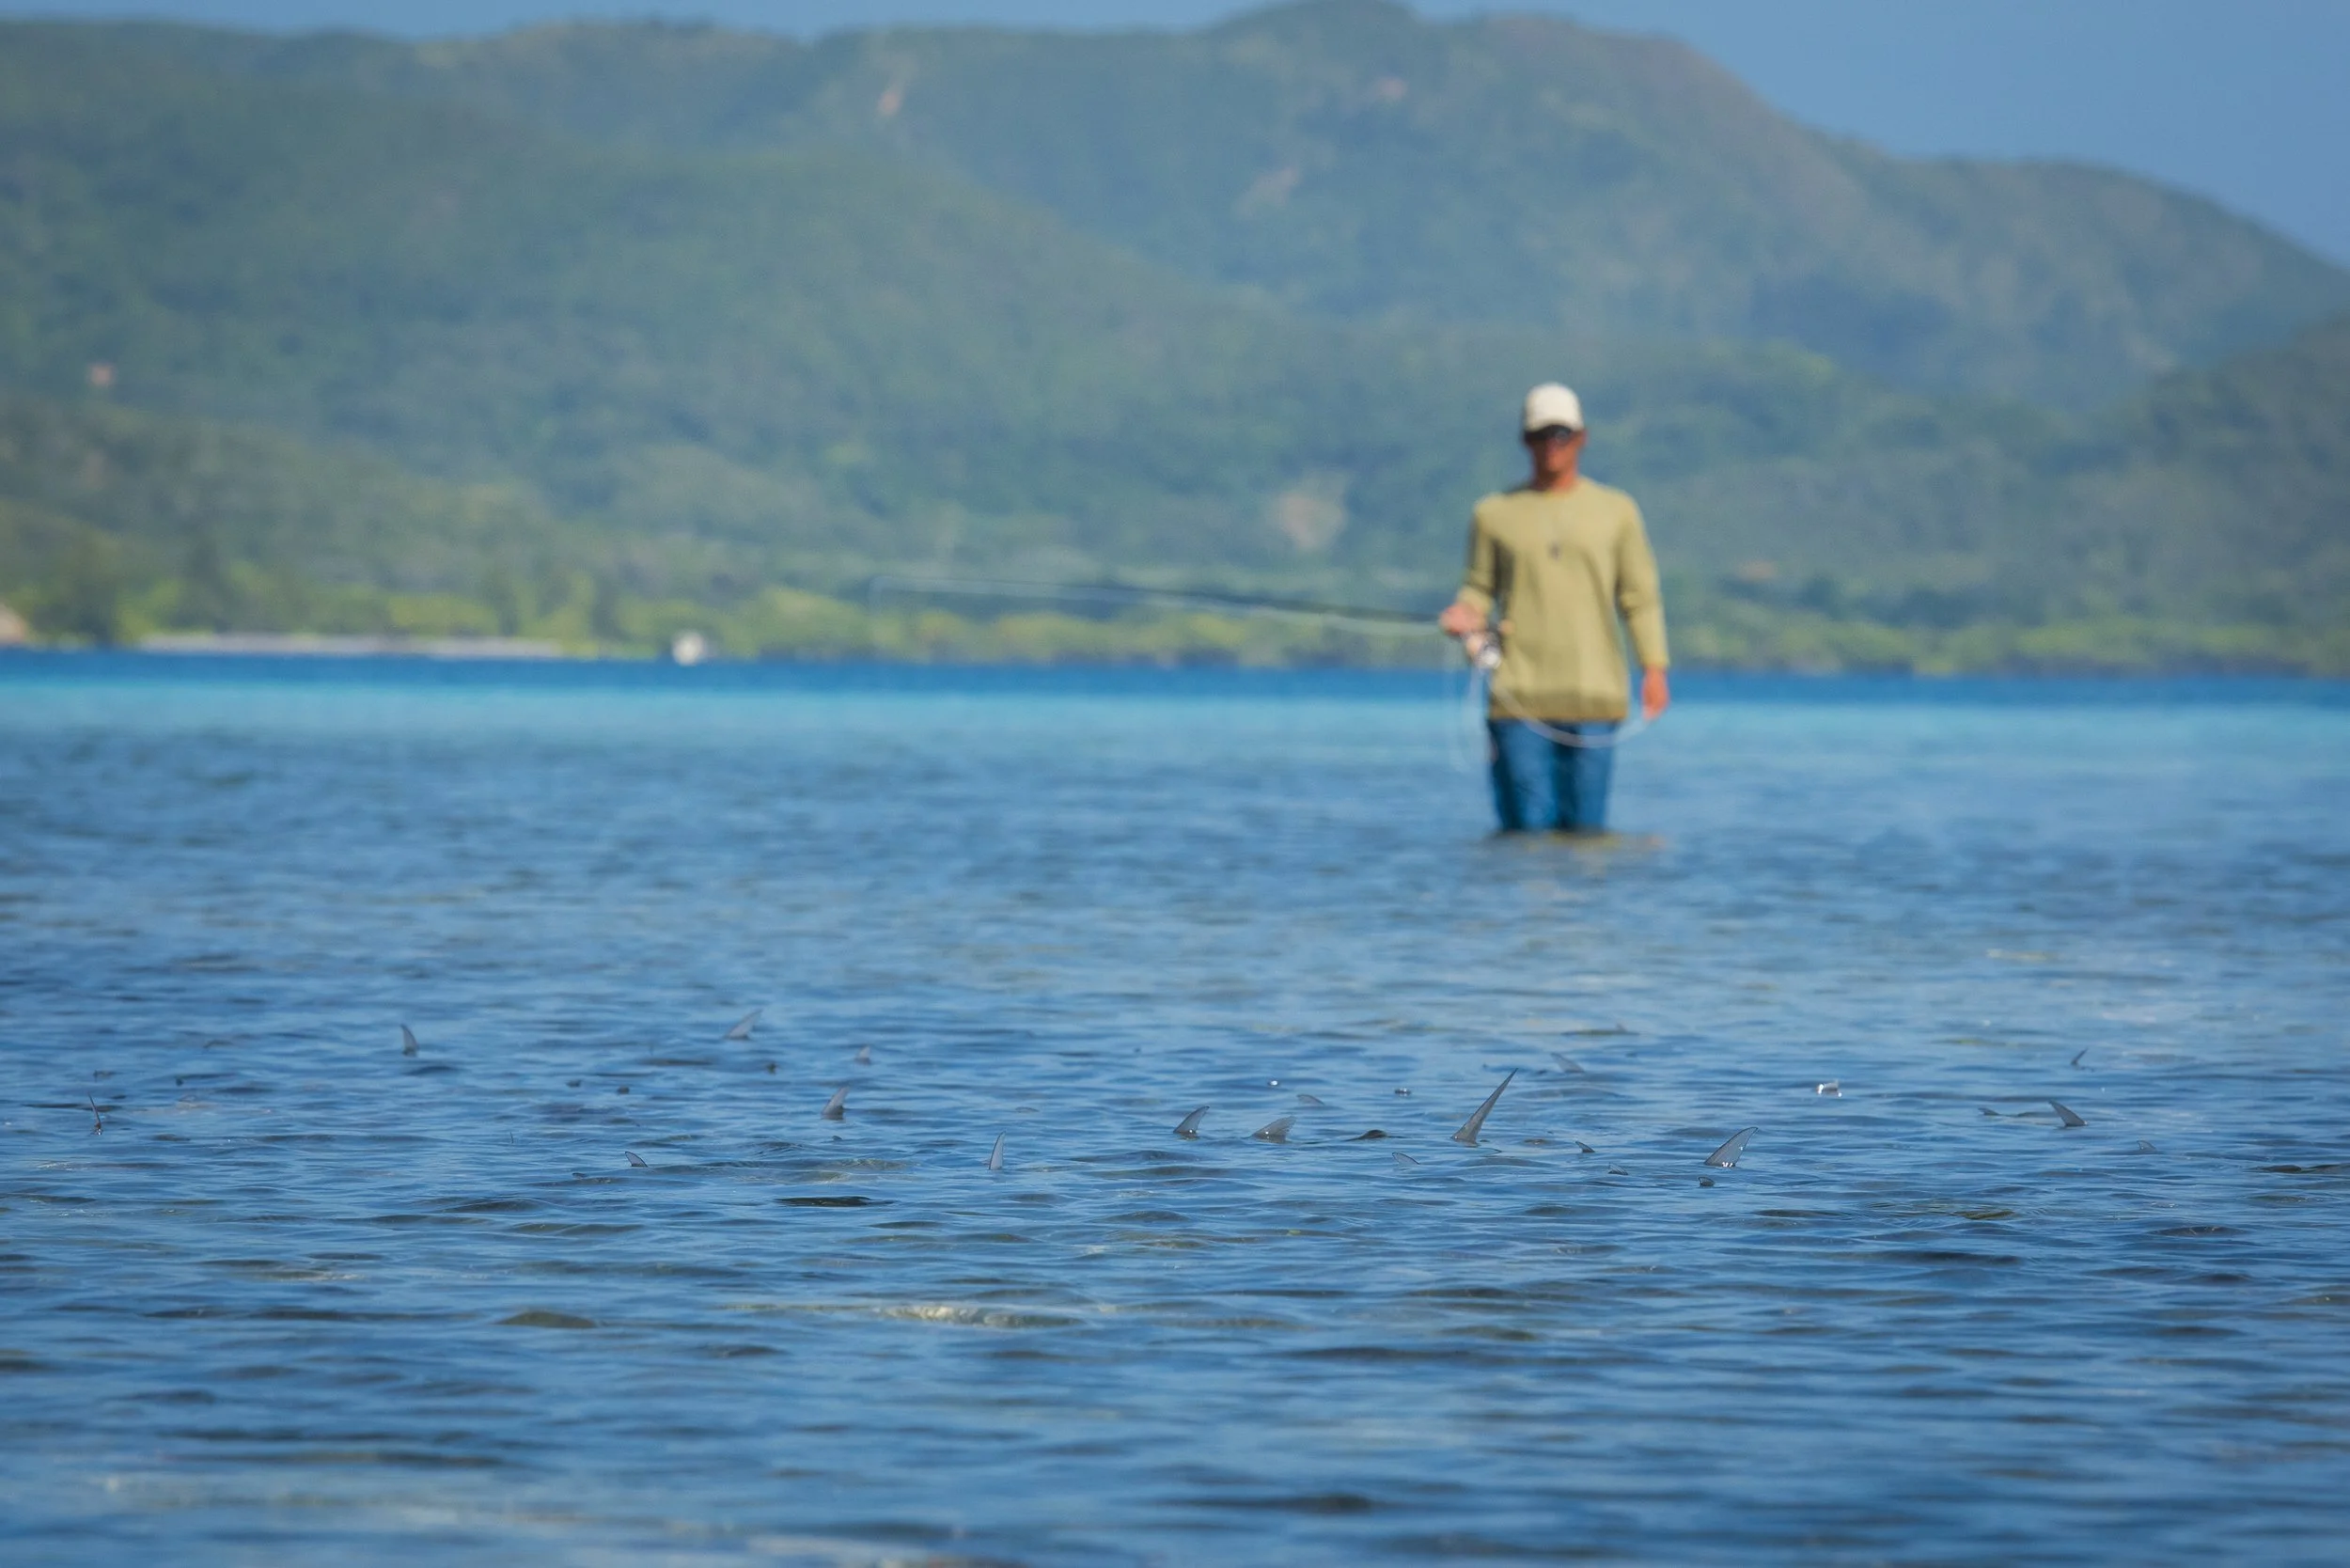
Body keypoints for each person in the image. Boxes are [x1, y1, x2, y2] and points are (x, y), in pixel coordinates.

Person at [1437, 383, 1670, 835]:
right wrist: (1464, 615)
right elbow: (1478, 588)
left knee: (1587, 836)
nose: (1551, 446)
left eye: (1561, 434)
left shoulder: (1618, 511)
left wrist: (1655, 668)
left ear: (1581, 437)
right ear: (1525, 441)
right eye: (1540, 435)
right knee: (1526, 834)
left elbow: (1639, 597)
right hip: (1517, 699)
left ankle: (1579, 910)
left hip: (1596, 698)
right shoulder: (1493, 514)